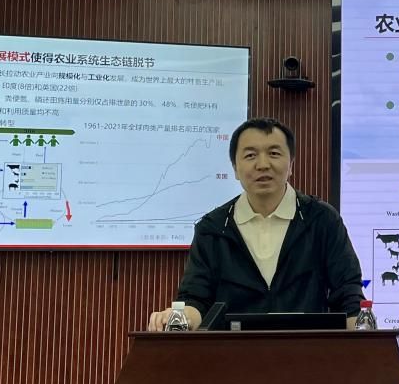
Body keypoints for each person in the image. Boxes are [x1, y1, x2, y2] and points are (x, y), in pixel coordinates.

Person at [147, 117, 363, 331]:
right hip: (232, 351)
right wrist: (178, 317)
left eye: (274, 153)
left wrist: (364, 335)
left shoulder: (322, 220)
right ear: (235, 168)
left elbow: (348, 296)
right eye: (250, 155)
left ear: (291, 164)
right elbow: (196, 299)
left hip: (308, 349)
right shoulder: (213, 228)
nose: (263, 165)